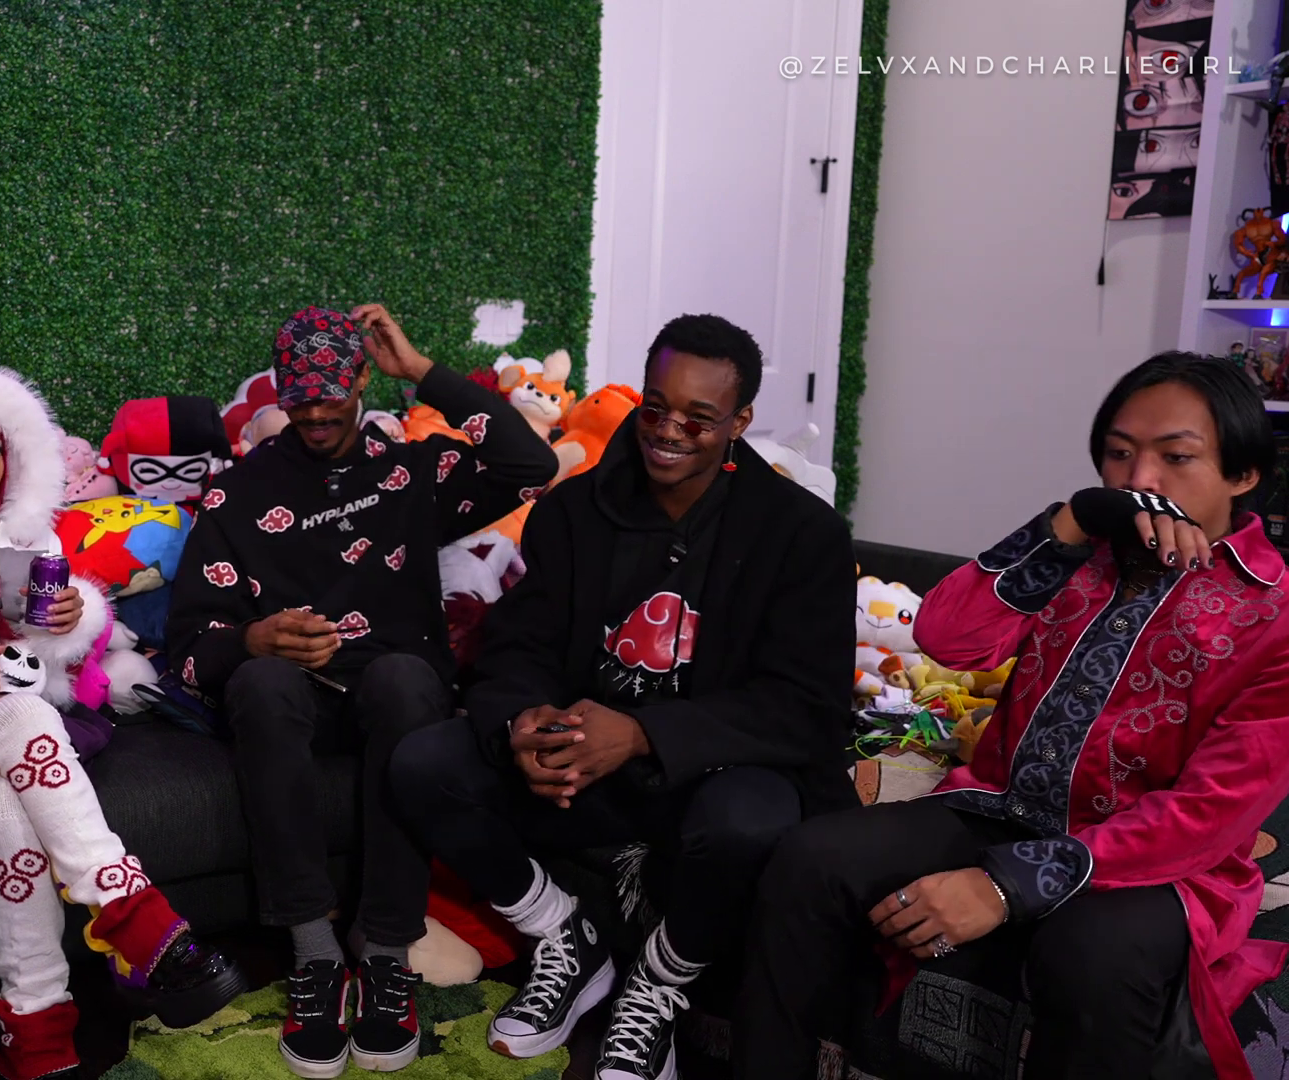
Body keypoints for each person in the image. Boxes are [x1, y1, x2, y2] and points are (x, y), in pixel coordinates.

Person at [737, 352, 1289, 1080]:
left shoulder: (1272, 613)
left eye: (1176, 457)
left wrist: (1004, 887)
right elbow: (946, 636)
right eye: (1119, 454)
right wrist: (1068, 522)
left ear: (1242, 474)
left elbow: (1210, 812)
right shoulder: (1080, 552)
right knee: (812, 861)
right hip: (1001, 806)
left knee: (1089, 955)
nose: (1141, 479)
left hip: (1158, 861)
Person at [389, 313, 857, 1080]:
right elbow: (519, 646)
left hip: (713, 772)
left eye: (698, 419)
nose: (669, 431)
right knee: (423, 764)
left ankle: (659, 984)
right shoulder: (574, 510)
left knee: (749, 818)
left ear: (739, 422)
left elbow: (808, 709)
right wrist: (523, 721)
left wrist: (643, 734)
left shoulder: (803, 535)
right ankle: (565, 938)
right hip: (585, 767)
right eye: (656, 407)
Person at [166, 305, 558, 1076]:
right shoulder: (237, 495)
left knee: (406, 678)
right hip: (293, 703)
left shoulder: (411, 473)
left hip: (395, 694)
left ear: (359, 384)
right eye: (299, 398)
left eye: (331, 395)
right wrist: (253, 638)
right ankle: (315, 956)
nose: (315, 413)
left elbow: (530, 466)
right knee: (263, 681)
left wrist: (422, 372)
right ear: (281, 392)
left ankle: (384, 955)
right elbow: (186, 650)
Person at [0, 361, 244, 1080]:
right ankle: (133, 914)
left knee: (7, 806)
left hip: (20, 734)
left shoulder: (29, 537)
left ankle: (36, 1032)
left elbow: (61, 653)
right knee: (22, 717)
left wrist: (69, 622)